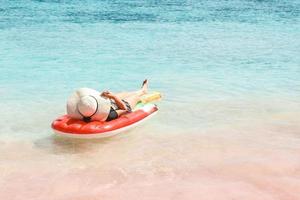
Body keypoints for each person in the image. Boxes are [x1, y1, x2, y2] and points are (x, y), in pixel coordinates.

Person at [66, 80, 148, 122]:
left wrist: (105, 96)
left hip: (110, 104)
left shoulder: (83, 110)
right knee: (136, 97)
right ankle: (143, 90)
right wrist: (113, 96)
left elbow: (91, 103)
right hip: (121, 105)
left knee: (124, 93)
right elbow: (124, 109)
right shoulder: (109, 115)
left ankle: (139, 90)